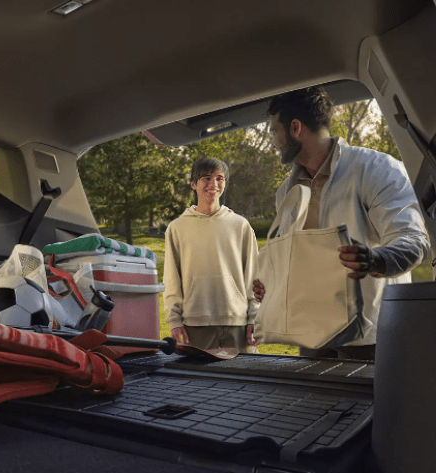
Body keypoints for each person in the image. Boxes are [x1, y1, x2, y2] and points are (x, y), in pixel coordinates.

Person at [254, 85, 430, 360]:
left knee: (366, 405)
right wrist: (271, 282)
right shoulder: (285, 194)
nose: (274, 141)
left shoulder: (378, 170)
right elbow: (294, 262)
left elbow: (414, 240)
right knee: (309, 405)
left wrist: (375, 259)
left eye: (275, 131)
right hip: (311, 335)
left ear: (295, 128)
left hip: (369, 337)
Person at [163, 158, 259, 353]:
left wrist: (255, 318)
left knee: (245, 379)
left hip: (237, 322)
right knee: (202, 381)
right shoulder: (177, 228)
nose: (213, 184)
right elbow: (172, 279)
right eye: (206, 178)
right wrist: (174, 321)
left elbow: (255, 275)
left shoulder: (240, 226)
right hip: (195, 324)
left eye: (220, 178)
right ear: (193, 184)